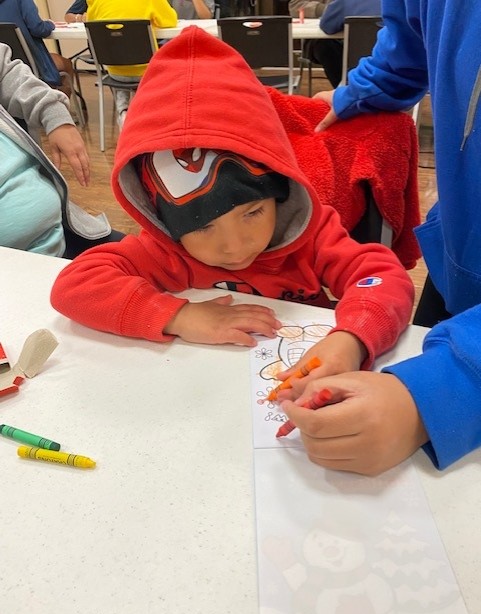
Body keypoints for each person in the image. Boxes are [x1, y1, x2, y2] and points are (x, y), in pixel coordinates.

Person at [50, 25, 413, 397]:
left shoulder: (313, 233)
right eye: (203, 226)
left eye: (253, 212)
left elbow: (385, 277)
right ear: (165, 223)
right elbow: (74, 286)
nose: (235, 246)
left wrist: (352, 339)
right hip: (199, 394)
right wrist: (179, 315)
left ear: (279, 191)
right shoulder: (164, 250)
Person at [277, 0, 481, 476]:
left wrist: (440, 388)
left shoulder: (316, 230)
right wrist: (355, 95)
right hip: (456, 266)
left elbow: (381, 276)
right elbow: (410, 46)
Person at [0, 44, 123, 258]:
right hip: (21, 270)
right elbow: (40, 27)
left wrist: (54, 114)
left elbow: (8, 70)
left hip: (63, 231)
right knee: (61, 64)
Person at [86, 0, 177, 129]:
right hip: (148, 72)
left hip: (115, 71)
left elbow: (91, 23)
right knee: (141, 65)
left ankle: (123, 110)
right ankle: (150, 115)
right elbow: (170, 20)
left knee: (122, 64)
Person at [0, 0, 75, 97]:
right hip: (31, 64)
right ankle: (59, 108)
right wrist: (50, 24)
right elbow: (38, 29)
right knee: (66, 64)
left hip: (5, 65)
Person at [307, 0, 381, 88]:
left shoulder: (344, 2)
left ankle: (345, 89)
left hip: (355, 62)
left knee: (323, 45)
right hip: (392, 63)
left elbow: (327, 27)